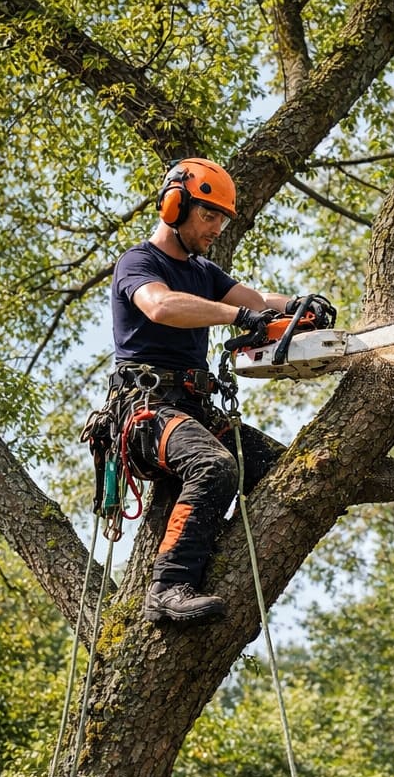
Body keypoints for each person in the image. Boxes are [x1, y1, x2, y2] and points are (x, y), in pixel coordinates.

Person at [105, 157, 334, 624]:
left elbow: (254, 302)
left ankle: (215, 558)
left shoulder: (204, 271)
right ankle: (167, 589)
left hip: (194, 410)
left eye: (221, 220)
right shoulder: (139, 262)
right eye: (208, 216)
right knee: (214, 467)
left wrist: (295, 306)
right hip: (145, 412)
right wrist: (235, 318)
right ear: (174, 205)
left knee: (282, 469)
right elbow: (161, 306)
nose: (215, 228)